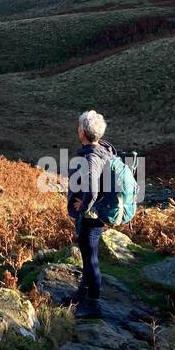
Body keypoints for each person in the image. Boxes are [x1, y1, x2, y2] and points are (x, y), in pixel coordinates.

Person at [66, 110, 115, 319]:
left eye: (79, 127)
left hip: (91, 218)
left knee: (91, 259)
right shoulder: (104, 148)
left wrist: (83, 207)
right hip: (97, 214)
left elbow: (93, 190)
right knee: (87, 256)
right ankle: (82, 293)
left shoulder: (92, 156)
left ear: (84, 132)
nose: (78, 129)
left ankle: (93, 304)